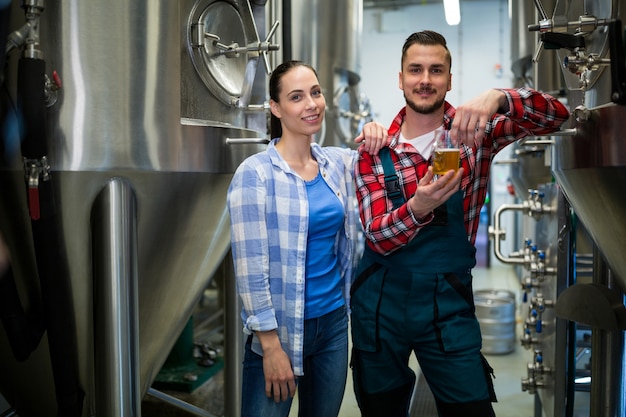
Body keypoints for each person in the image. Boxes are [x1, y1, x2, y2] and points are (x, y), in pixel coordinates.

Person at [349, 30, 570, 417]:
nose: (425, 79)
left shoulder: (475, 133)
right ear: (400, 79)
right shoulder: (375, 150)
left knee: (471, 406)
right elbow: (378, 237)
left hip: (447, 300)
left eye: (436, 70)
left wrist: (500, 96)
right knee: (380, 406)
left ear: (450, 80)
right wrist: (418, 207)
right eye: (415, 70)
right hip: (380, 301)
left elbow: (558, 115)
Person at [227, 60, 385, 417]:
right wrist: (270, 346)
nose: (311, 104)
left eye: (315, 92)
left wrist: (378, 131)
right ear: (276, 108)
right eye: (296, 97)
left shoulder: (337, 165)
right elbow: (251, 269)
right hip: (279, 329)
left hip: (332, 325)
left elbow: (382, 156)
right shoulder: (255, 175)